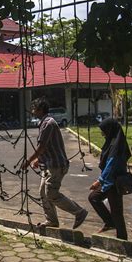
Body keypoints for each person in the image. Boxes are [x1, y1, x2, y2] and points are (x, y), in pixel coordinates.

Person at [23, 97, 88, 229]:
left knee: (51, 193)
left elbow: (42, 147)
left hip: (56, 165)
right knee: (43, 192)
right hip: (49, 164)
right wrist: (38, 160)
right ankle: (52, 220)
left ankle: (79, 212)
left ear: (40, 109)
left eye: (34, 109)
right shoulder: (45, 122)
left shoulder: (47, 123)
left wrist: (28, 160)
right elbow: (48, 147)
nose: (32, 111)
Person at [88, 118, 129, 240]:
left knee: (117, 212)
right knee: (94, 197)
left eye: (104, 130)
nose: (102, 134)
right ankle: (110, 222)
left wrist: (99, 181)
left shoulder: (116, 146)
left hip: (114, 182)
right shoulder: (112, 142)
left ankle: (122, 240)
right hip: (109, 182)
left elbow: (111, 166)